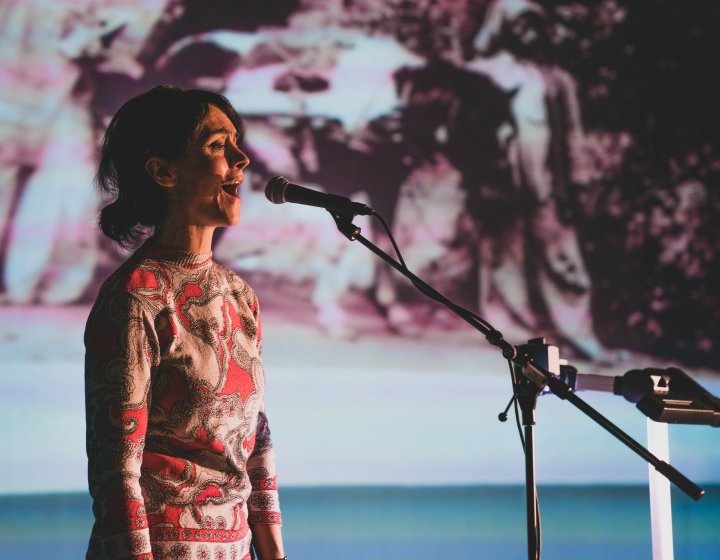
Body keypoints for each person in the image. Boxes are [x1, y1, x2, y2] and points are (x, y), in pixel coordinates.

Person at [84, 85, 286, 560]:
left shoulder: (239, 295)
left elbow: (254, 439)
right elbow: (116, 475)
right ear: (163, 172)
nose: (242, 159)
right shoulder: (136, 297)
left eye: (237, 143)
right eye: (218, 146)